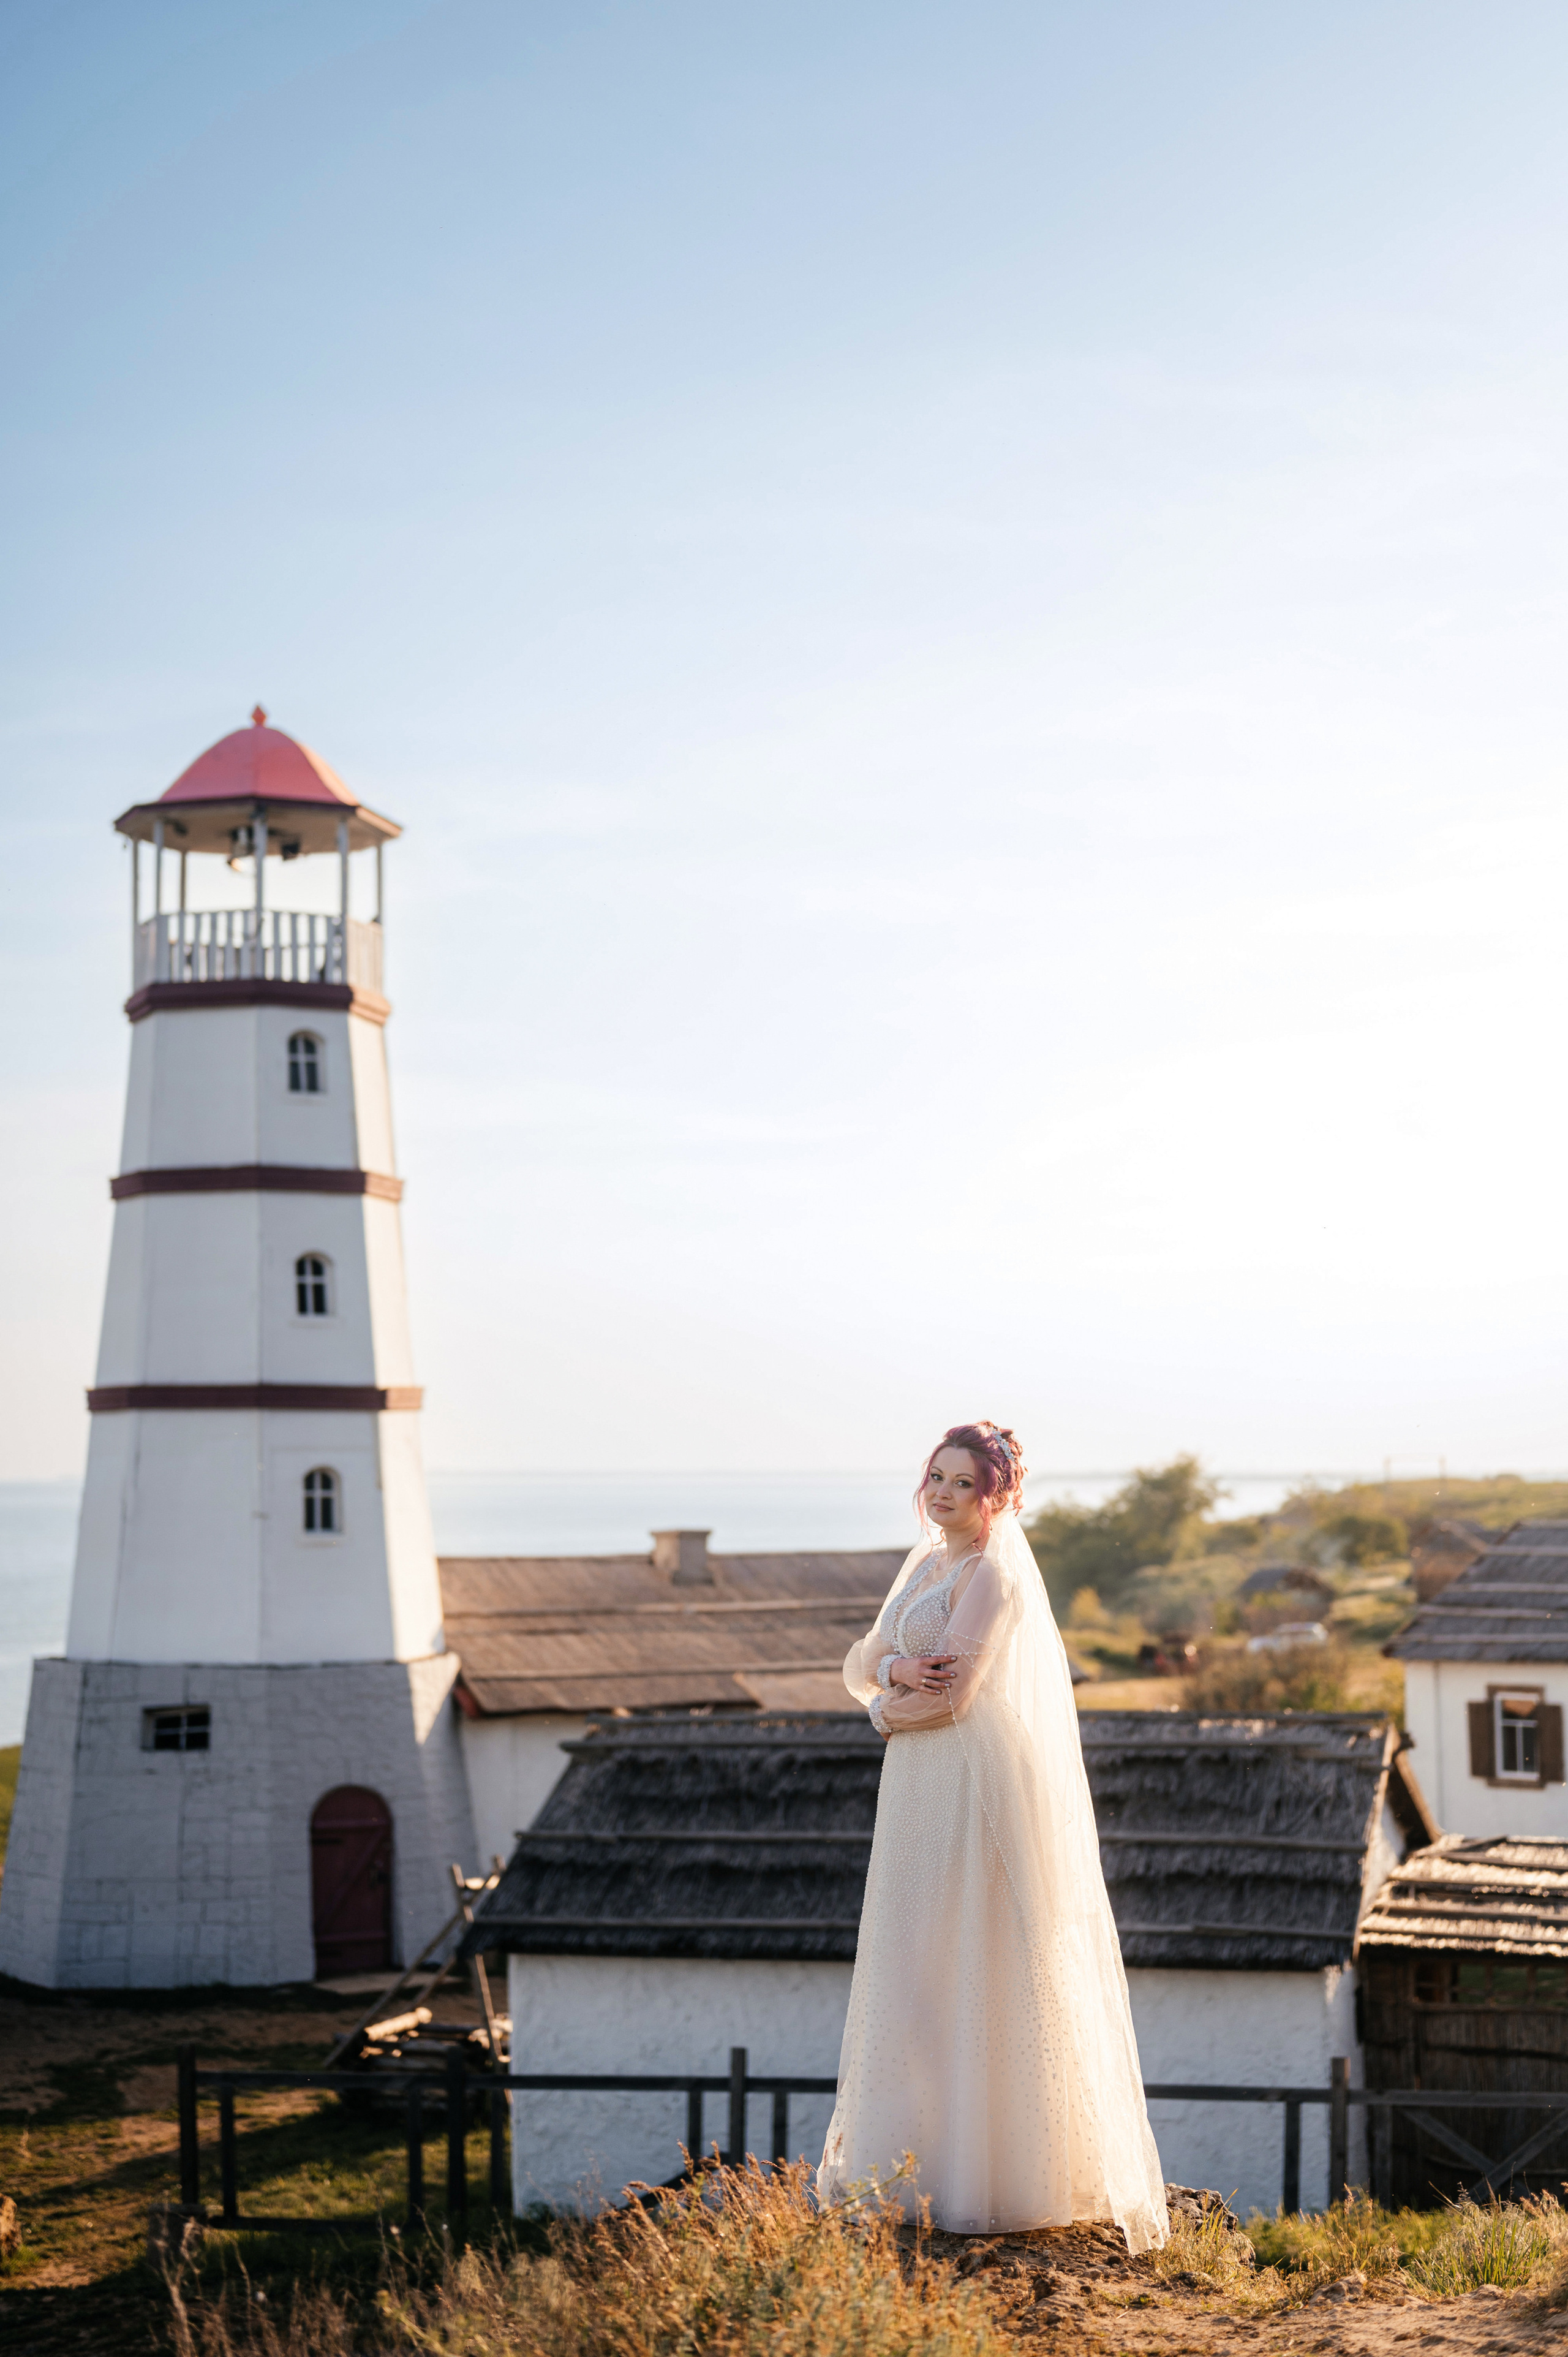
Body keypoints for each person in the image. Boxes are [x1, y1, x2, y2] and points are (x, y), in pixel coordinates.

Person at [818, 1422, 1168, 2252]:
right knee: (914, 1965)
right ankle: (917, 2161)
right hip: (913, 1783)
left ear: (996, 1496)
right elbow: (857, 1662)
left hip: (971, 1780)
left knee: (982, 1962)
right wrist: (894, 1677)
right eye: (935, 1477)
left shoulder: (993, 1577)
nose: (942, 1493)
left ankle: (1001, 2173)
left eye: (963, 1483)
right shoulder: (925, 1566)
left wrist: (888, 1699)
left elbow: (954, 1698)